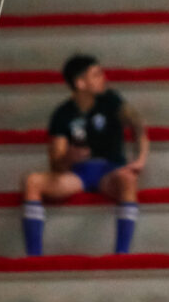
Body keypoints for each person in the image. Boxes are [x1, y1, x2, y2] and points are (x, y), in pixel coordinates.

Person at [21, 54, 149, 256]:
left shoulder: (111, 101)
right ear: (80, 83)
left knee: (128, 180)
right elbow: (56, 164)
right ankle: (34, 256)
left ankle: (122, 254)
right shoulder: (63, 113)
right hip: (78, 174)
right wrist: (69, 157)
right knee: (32, 181)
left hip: (109, 171)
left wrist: (140, 159)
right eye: (96, 75)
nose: (103, 78)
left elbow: (137, 125)